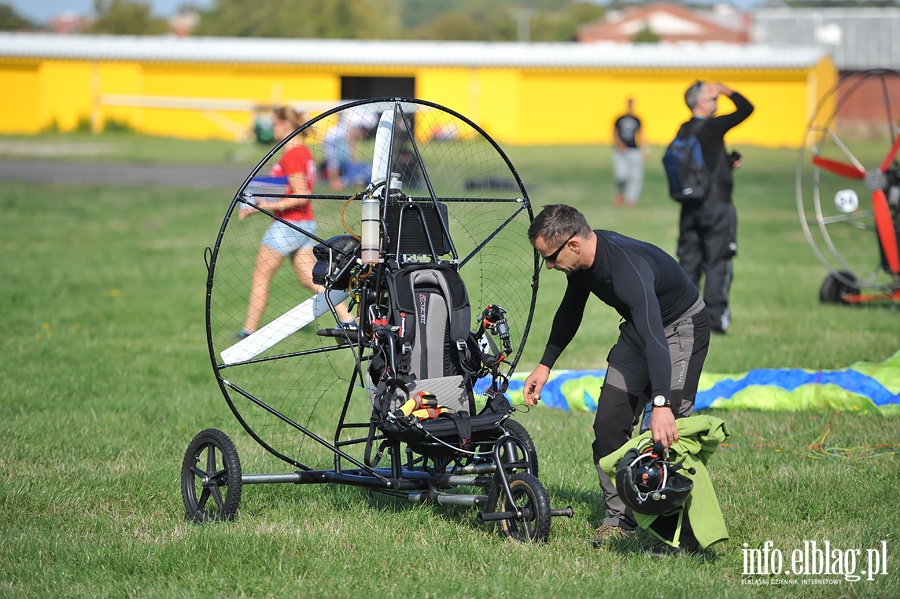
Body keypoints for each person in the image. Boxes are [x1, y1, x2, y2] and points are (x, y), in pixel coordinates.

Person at [523, 204, 710, 548]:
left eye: (549, 257)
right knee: (608, 424)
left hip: (679, 329)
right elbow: (570, 310)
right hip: (641, 332)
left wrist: (662, 404)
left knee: (663, 433)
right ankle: (620, 518)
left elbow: (657, 337)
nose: (549, 266)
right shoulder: (582, 265)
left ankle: (672, 533)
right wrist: (545, 364)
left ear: (573, 245)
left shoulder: (626, 268)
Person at [239, 106, 354, 338]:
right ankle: (349, 318)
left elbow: (301, 195)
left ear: (286, 125)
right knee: (309, 278)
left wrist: (263, 206)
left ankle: (248, 331)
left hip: (288, 226)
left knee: (260, 276)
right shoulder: (301, 152)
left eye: (274, 123)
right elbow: (289, 189)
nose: (271, 128)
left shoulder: (293, 154)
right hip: (303, 225)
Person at [675, 81, 753, 334]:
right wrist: (727, 89)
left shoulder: (684, 130)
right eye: (712, 98)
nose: (716, 101)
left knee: (689, 262)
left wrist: (727, 163)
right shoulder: (713, 126)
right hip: (716, 207)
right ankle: (715, 320)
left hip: (690, 208)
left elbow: (699, 166)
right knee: (718, 261)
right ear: (699, 102)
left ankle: (682, 317)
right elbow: (746, 108)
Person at [612, 97, 647, 206]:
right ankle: (620, 193)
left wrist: (645, 149)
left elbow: (641, 134)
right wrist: (620, 144)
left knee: (636, 177)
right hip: (621, 151)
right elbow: (615, 132)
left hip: (634, 150)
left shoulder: (637, 119)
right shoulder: (620, 119)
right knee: (621, 175)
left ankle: (632, 199)